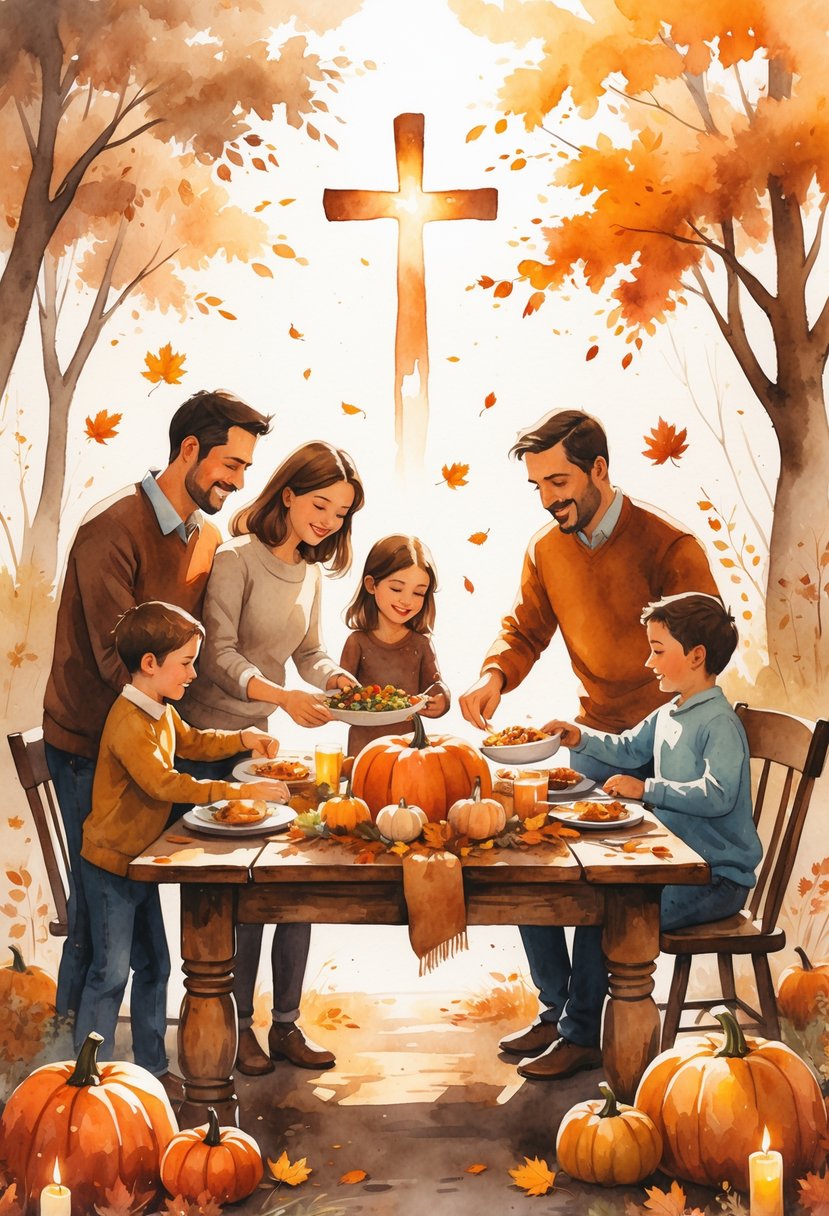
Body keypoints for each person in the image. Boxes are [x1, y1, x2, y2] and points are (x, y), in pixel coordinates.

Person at [459, 407, 720, 1080]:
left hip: (666, 749)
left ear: (598, 469)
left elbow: (703, 654)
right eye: (537, 486)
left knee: (599, 883)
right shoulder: (546, 551)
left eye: (559, 481)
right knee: (529, 859)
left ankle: (581, 1030)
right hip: (593, 746)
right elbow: (522, 630)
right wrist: (494, 676)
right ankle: (559, 1011)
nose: (549, 499)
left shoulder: (668, 545)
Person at [43, 389, 271, 1019]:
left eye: (247, 469)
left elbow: (195, 655)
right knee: (96, 928)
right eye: (231, 464)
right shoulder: (110, 529)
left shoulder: (206, 539)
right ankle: (63, 1076)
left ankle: (139, 1064)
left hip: (157, 746)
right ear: (189, 449)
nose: (238, 480)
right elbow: (123, 663)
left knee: (143, 934)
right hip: (92, 751)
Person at [180, 440, 364, 1075]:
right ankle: (236, 1030)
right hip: (208, 747)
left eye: (341, 513)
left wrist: (334, 678)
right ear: (287, 494)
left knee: (291, 885)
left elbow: (310, 651)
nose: (328, 522)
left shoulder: (311, 572)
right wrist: (281, 695)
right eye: (321, 505)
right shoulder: (236, 559)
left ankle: (284, 1025)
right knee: (242, 895)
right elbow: (216, 655)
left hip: (257, 751)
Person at [536, 593, 762, 1074]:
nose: (648, 660)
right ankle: (559, 1015)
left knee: (606, 915)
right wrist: (580, 735)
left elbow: (718, 794)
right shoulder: (671, 712)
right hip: (672, 863)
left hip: (715, 877)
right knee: (551, 897)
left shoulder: (719, 722)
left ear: (697, 656)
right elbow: (624, 746)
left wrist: (649, 787)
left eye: (658, 650)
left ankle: (579, 1037)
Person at [76, 601, 288, 1105]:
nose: (195, 673)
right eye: (187, 663)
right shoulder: (129, 722)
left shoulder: (159, 711)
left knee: (156, 968)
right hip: (110, 865)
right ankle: (86, 1081)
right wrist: (240, 794)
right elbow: (165, 782)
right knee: (109, 974)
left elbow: (192, 740)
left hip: (139, 863)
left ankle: (150, 1068)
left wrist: (242, 737)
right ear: (150, 664)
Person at [339, 534, 450, 756]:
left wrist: (442, 699)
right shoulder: (357, 642)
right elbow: (339, 693)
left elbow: (436, 684)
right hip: (364, 747)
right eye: (397, 589)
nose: (407, 601)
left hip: (409, 745)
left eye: (418, 592)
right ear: (371, 585)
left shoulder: (421, 644)